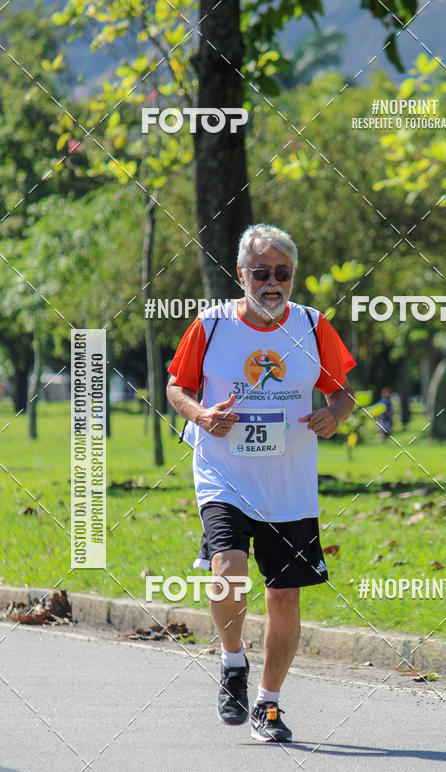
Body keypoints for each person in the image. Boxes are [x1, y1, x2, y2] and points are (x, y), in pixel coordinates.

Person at [166, 224, 356, 742]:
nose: (273, 282)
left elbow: (342, 392)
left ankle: (268, 706)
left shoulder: (313, 326)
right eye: (262, 272)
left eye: (283, 273)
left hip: (288, 482)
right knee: (227, 569)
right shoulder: (212, 325)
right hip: (224, 472)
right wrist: (202, 415)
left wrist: (333, 416)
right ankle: (232, 663)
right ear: (241, 274)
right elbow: (176, 387)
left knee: (285, 596)